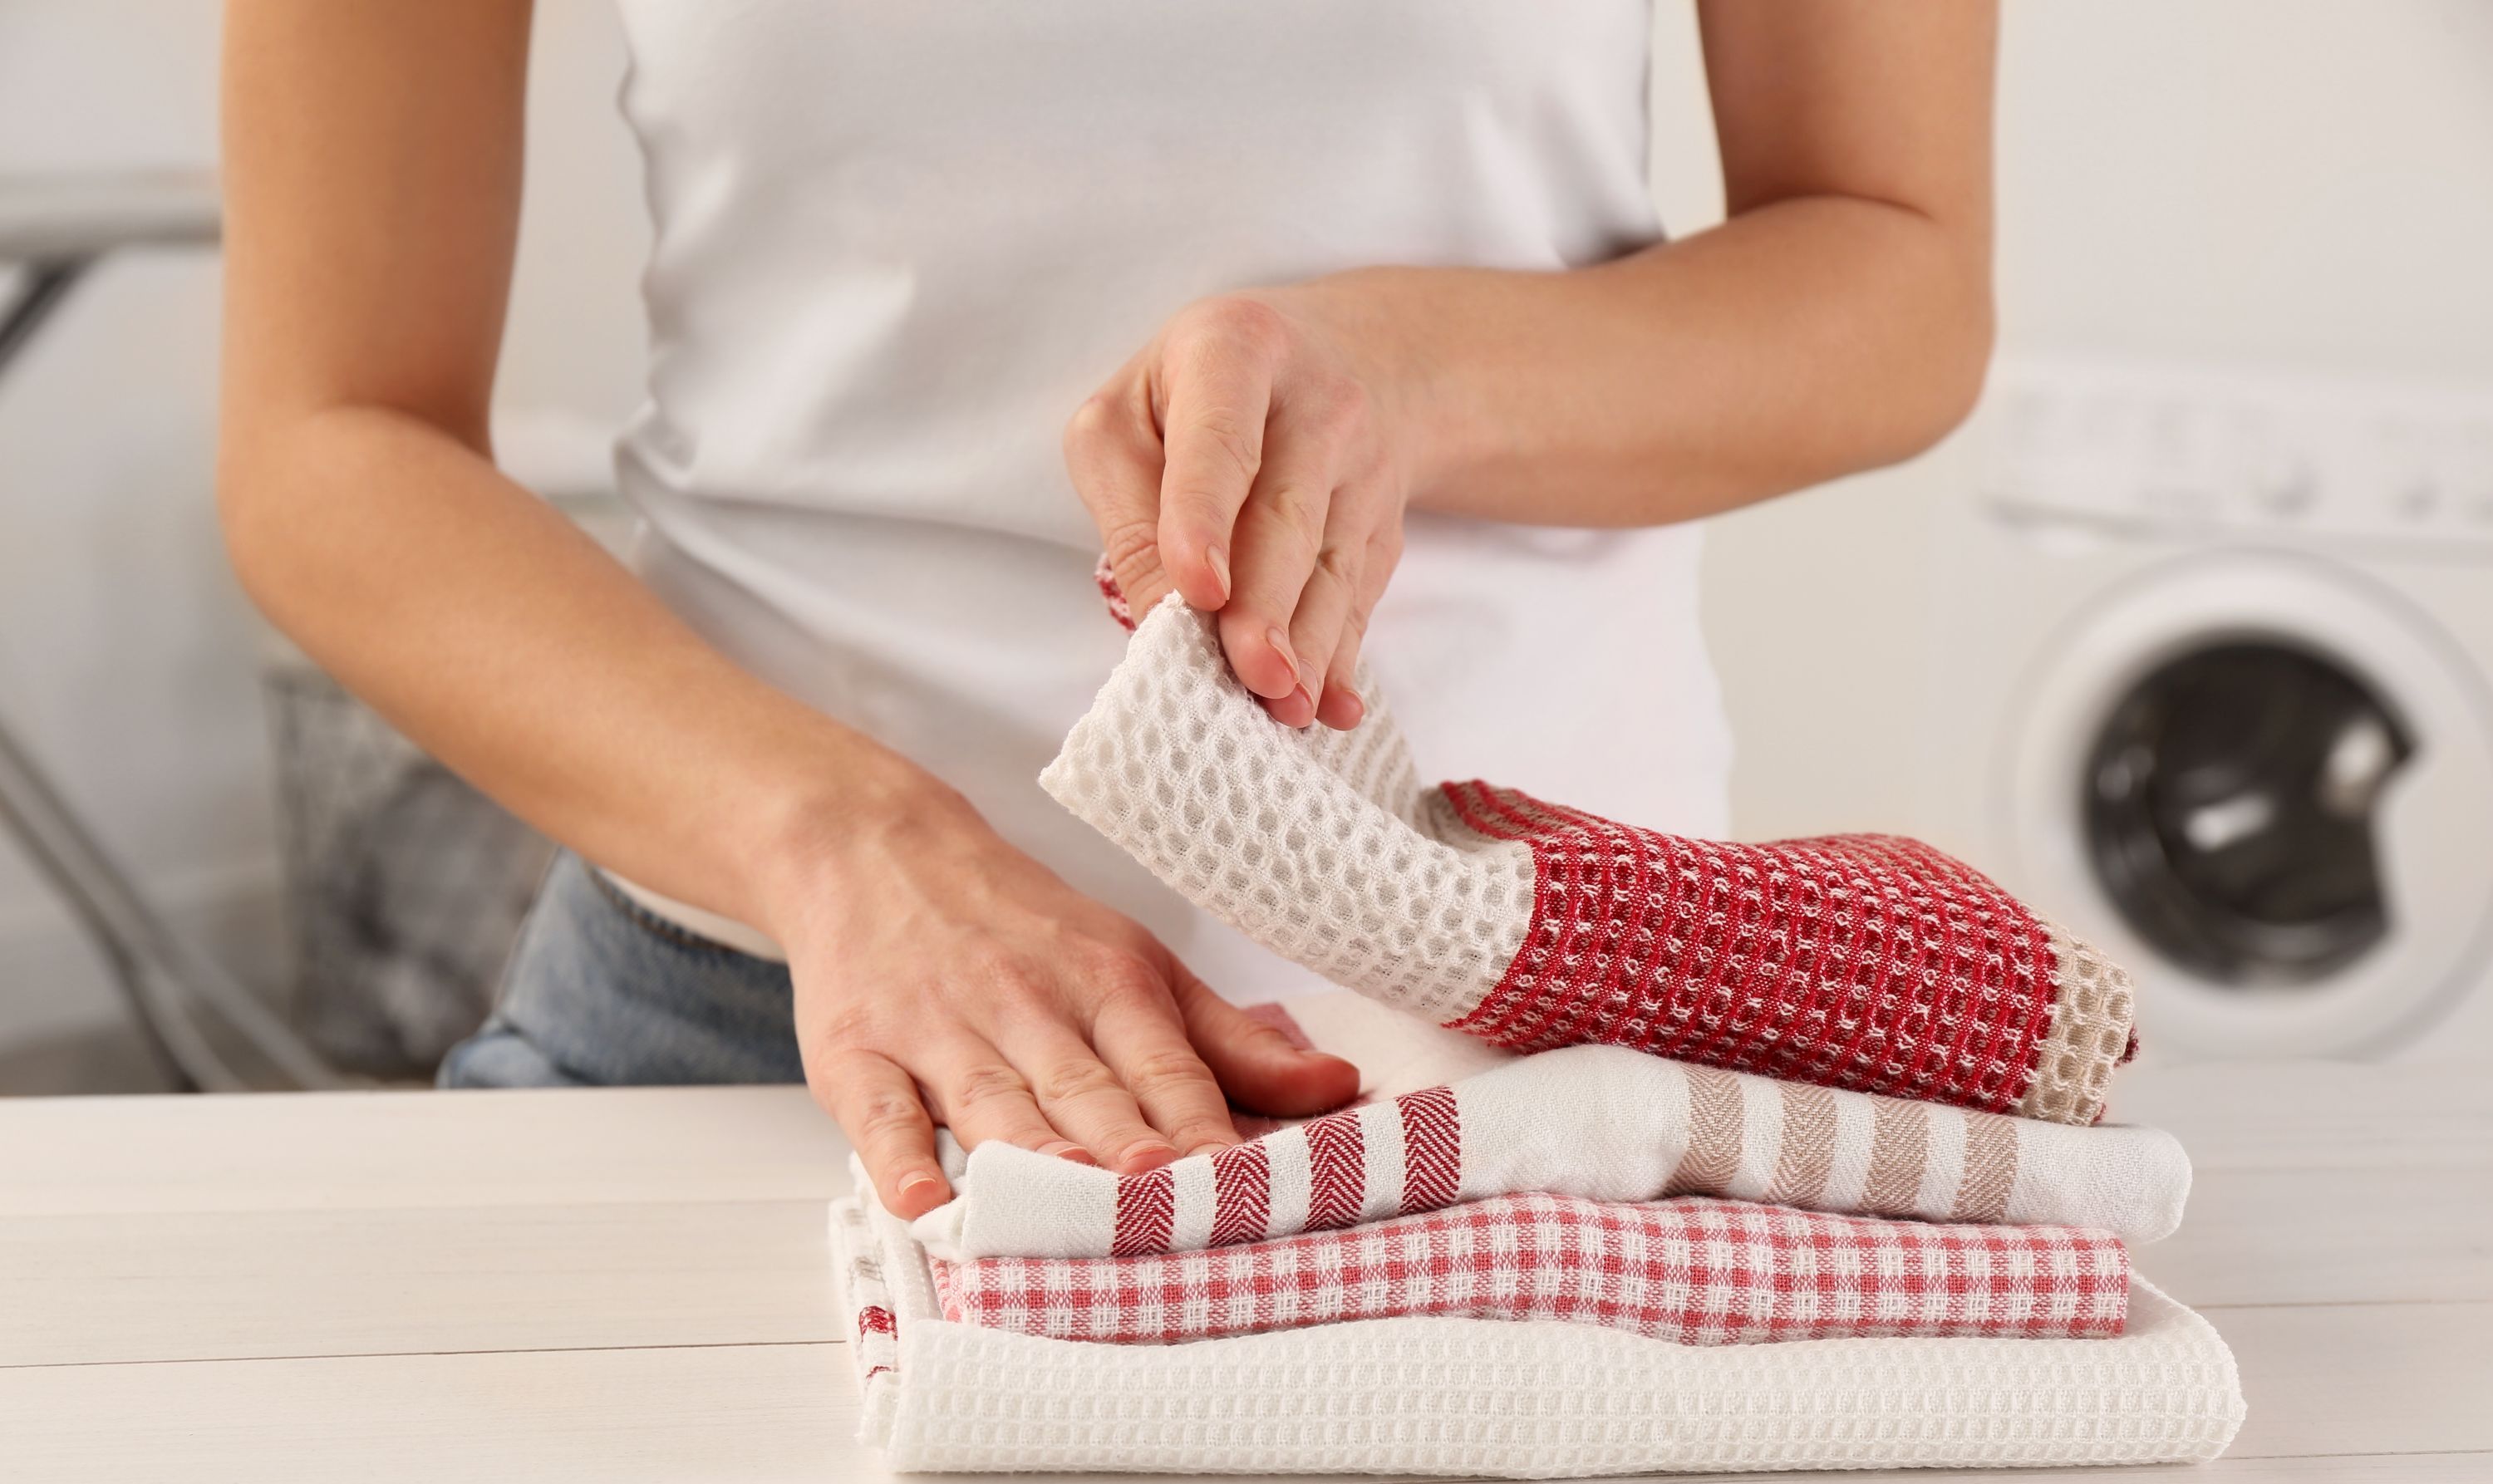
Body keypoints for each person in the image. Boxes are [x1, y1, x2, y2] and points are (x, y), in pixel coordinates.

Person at [216, 2, 1998, 1221]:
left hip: (1539, 1055)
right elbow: (330, 438)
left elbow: (1897, 267)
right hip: (758, 1035)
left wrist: (1411, 376)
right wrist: (842, 841)